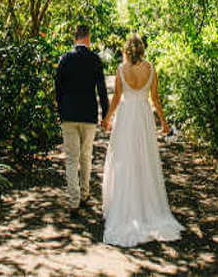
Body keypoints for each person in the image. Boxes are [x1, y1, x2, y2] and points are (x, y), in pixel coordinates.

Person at [100, 33, 184, 247]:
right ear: (142, 50)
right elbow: (155, 98)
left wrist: (107, 119)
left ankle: (127, 208)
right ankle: (150, 210)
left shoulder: (121, 70)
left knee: (124, 160)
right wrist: (164, 123)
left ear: (126, 50)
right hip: (144, 118)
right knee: (145, 159)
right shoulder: (151, 69)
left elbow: (117, 98)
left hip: (127, 117)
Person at [54, 24, 109, 214]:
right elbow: (101, 90)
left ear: (75, 38)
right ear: (88, 38)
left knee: (71, 158)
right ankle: (85, 194)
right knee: (86, 156)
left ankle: (74, 200)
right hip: (88, 115)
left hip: (69, 115)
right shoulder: (94, 59)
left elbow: (58, 88)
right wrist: (106, 115)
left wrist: (61, 110)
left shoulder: (65, 59)